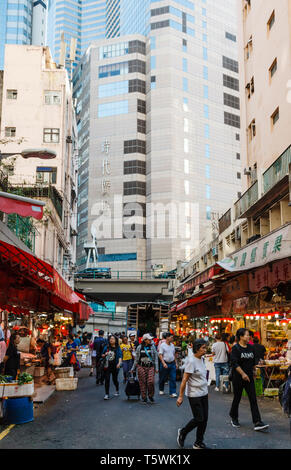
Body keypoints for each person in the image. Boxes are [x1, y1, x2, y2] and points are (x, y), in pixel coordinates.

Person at [229, 328, 269, 431]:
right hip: (238, 377)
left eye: (248, 335)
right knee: (237, 398)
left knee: (253, 399)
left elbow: (253, 361)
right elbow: (234, 363)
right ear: (241, 337)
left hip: (249, 377)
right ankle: (234, 417)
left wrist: (255, 369)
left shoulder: (251, 348)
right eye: (246, 335)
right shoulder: (236, 348)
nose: (248, 337)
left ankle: (257, 422)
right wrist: (242, 374)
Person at [176, 339, 210, 450]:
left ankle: (198, 442)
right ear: (197, 348)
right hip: (194, 394)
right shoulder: (191, 361)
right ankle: (183, 432)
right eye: (203, 347)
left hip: (203, 392)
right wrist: (180, 396)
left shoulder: (202, 359)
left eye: (206, 347)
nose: (205, 349)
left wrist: (206, 391)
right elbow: (184, 380)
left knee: (204, 419)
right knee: (199, 418)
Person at [131, 333, 158, 403]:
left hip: (150, 366)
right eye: (149, 339)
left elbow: (155, 358)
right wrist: (133, 368)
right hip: (141, 366)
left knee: (150, 382)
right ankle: (144, 397)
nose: (150, 340)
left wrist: (156, 368)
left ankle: (151, 395)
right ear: (145, 340)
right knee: (142, 382)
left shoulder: (152, 347)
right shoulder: (139, 347)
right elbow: (136, 359)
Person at [102, 335, 122, 400]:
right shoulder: (107, 347)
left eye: (113, 339)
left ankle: (117, 389)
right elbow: (102, 355)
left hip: (115, 366)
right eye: (110, 339)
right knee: (107, 379)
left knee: (114, 379)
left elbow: (120, 356)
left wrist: (119, 363)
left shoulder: (118, 348)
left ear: (115, 340)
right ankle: (106, 394)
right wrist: (104, 354)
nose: (111, 340)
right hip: (107, 365)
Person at [159, 332, 178, 398]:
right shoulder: (162, 345)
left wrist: (176, 363)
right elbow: (160, 355)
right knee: (163, 378)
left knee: (173, 378)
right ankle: (161, 389)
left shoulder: (172, 345)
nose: (172, 338)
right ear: (167, 338)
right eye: (171, 337)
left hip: (172, 363)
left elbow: (174, 355)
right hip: (165, 363)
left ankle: (172, 392)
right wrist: (163, 363)